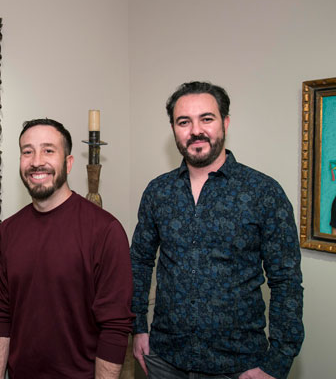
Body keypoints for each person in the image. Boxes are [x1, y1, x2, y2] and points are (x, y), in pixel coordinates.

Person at [130, 81, 304, 379]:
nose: (195, 130)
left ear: (225, 122)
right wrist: (138, 328)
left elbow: (286, 280)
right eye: (184, 121)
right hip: (165, 357)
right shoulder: (158, 192)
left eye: (206, 119)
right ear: (173, 128)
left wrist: (277, 363)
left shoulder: (263, 192)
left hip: (238, 365)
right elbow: (140, 262)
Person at [0, 118, 134, 378]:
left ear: (68, 163)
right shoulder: (7, 232)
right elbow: (0, 313)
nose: (36, 161)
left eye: (48, 150)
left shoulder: (105, 231)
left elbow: (114, 327)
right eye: (27, 151)